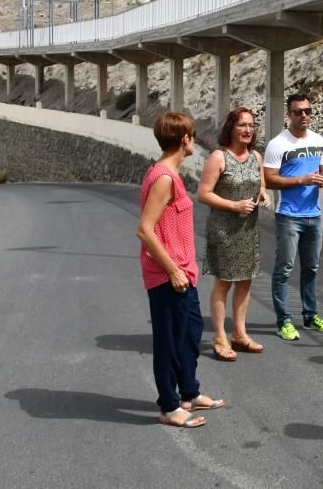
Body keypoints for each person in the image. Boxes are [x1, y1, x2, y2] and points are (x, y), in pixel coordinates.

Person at [137, 112, 225, 428]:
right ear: (184, 140)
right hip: (167, 275)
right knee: (168, 342)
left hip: (183, 273)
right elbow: (145, 230)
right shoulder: (162, 177)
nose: (194, 139)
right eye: (192, 134)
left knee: (190, 334)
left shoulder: (169, 174)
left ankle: (189, 390)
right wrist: (173, 270)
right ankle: (170, 405)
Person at [198, 107, 272, 362]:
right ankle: (220, 337)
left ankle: (240, 334)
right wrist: (234, 205)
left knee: (245, 280)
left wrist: (263, 192)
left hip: (247, 229)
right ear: (230, 128)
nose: (248, 130)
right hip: (224, 230)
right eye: (242, 125)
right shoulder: (219, 157)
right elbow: (204, 193)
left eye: (251, 125)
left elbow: (260, 182)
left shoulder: (256, 157)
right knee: (224, 282)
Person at [263, 93, 323, 341]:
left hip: (314, 215)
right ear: (288, 115)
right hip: (289, 216)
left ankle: (310, 316)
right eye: (297, 112)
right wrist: (301, 180)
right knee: (284, 269)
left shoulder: (317, 139)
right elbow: (269, 178)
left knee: (311, 268)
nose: (303, 115)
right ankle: (283, 321)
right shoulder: (278, 144)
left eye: (307, 111)